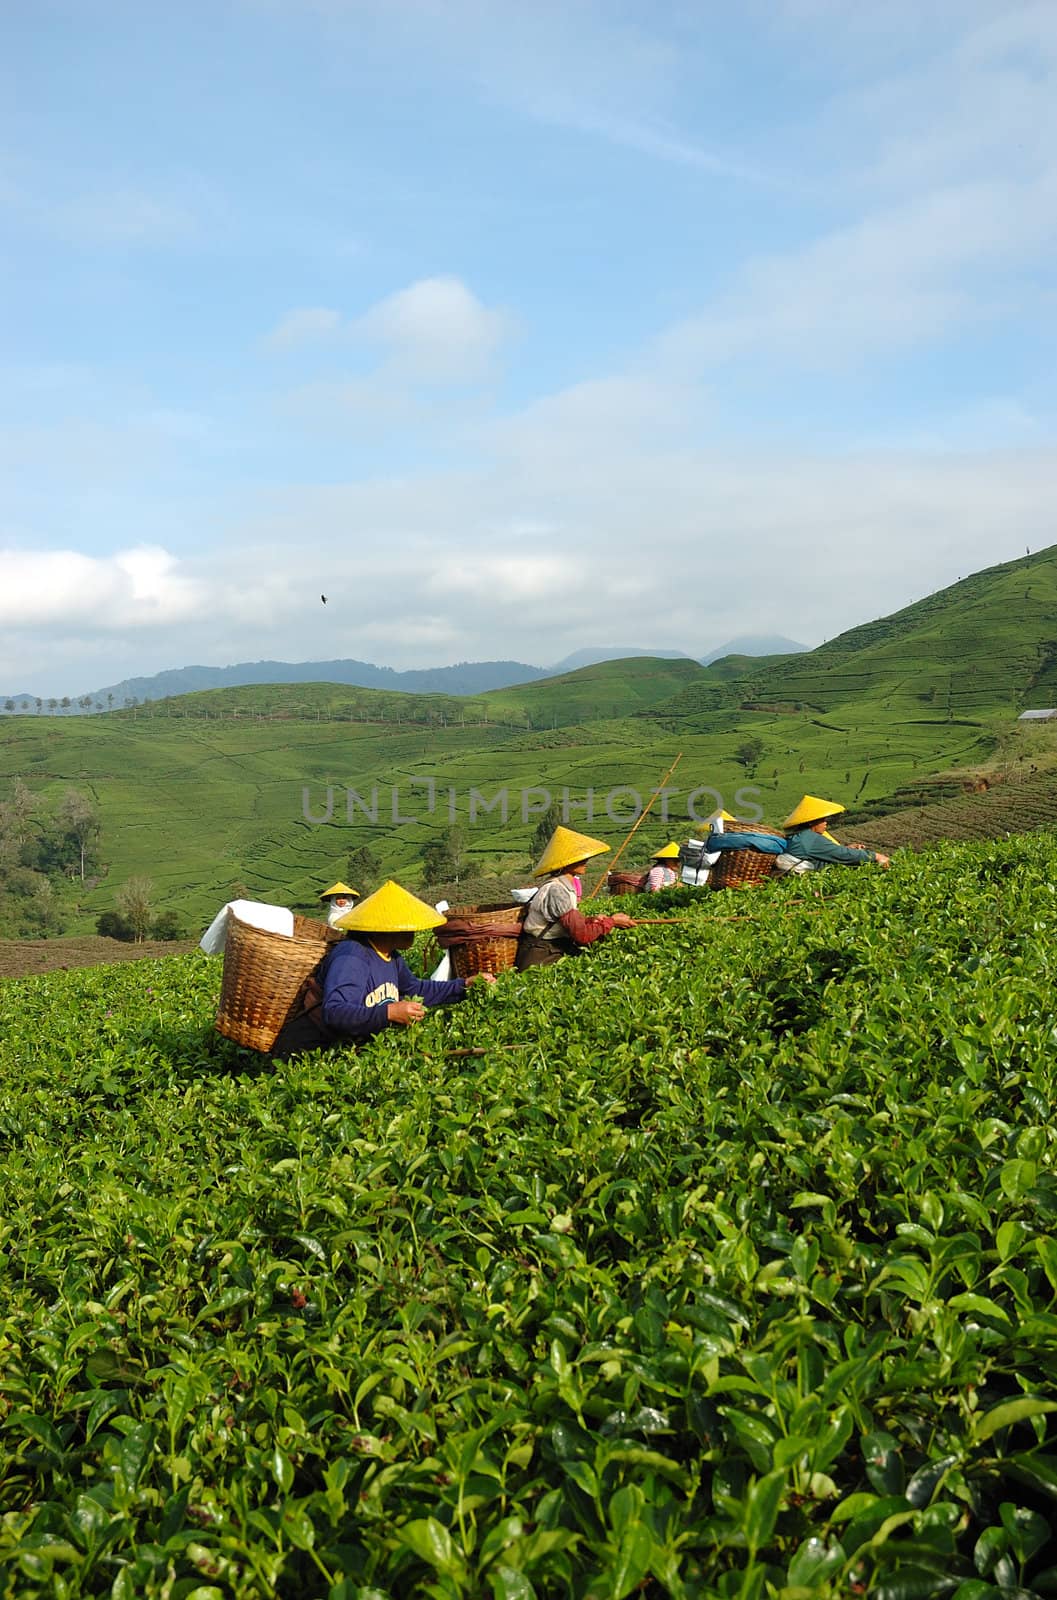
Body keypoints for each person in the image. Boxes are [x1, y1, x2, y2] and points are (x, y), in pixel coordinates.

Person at [271, 880, 494, 1059]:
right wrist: (389, 1013)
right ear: (384, 928)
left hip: (340, 1052)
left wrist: (464, 985)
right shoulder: (352, 956)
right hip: (304, 1053)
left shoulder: (392, 957)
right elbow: (335, 1011)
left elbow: (416, 988)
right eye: (406, 925)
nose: (413, 931)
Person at [516, 825, 635, 970]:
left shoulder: (565, 885)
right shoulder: (556, 890)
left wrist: (592, 920)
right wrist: (612, 921)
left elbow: (565, 923)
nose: (585, 861)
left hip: (554, 947)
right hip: (541, 955)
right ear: (566, 863)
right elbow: (582, 935)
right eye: (578, 858)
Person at [780, 795, 890, 869]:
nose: (825, 823)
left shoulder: (800, 836)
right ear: (810, 822)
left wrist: (847, 848)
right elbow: (843, 855)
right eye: (822, 820)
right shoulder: (811, 839)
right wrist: (875, 856)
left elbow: (831, 852)